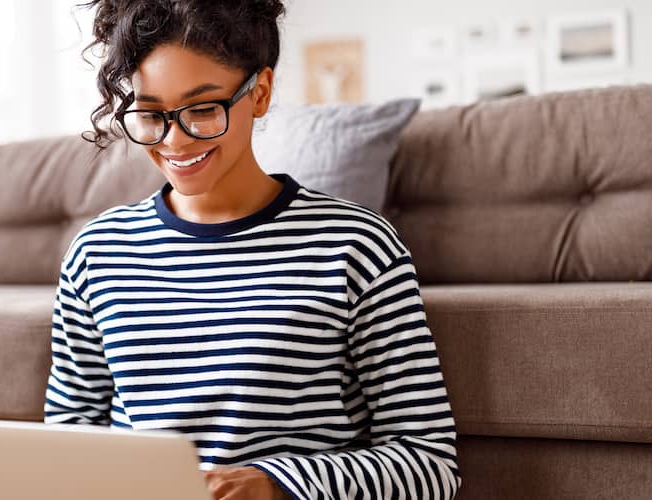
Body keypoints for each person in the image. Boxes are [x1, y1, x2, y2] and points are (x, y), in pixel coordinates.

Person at [43, 1, 461, 499]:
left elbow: (429, 463)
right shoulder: (96, 253)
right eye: (151, 114)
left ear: (259, 93)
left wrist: (275, 487)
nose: (175, 141)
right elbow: (67, 442)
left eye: (202, 109)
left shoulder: (357, 246)